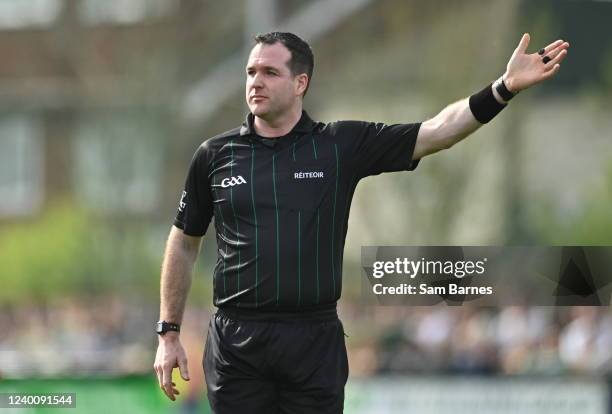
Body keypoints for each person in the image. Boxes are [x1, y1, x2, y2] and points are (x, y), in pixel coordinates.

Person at [154, 31, 569, 413]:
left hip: (312, 340)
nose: (255, 82)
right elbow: (184, 241)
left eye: (269, 72)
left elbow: (437, 132)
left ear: (300, 83)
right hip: (237, 340)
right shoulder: (214, 155)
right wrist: (168, 332)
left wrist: (504, 88)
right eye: (250, 72)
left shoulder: (339, 145)